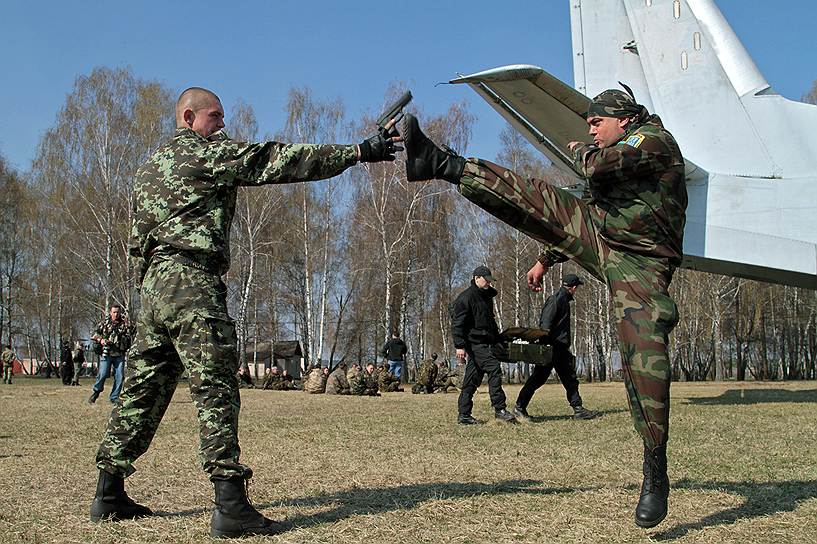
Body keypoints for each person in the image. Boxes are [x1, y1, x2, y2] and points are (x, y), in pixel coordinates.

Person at [90, 87, 401, 538]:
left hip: (154, 289)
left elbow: (137, 241)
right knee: (216, 390)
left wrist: (150, 291)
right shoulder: (206, 155)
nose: (222, 126)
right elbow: (278, 160)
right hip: (192, 284)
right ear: (188, 116)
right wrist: (357, 151)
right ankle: (230, 505)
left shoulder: (147, 170)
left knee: (142, 391)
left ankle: (108, 491)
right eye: (215, 117)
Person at [402, 86, 686, 528]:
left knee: (643, 358)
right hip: (603, 238)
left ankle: (654, 466)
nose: (591, 129)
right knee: (539, 197)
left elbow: (596, 167)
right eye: (589, 124)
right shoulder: (618, 148)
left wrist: (582, 152)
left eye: (597, 122)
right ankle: (441, 163)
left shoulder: (653, 142)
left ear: (624, 120)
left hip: (642, 264)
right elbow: (585, 207)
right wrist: (545, 258)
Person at [513, 274, 598, 421]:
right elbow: (545, 324)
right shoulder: (556, 300)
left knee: (570, 378)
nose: (576, 290)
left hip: (560, 348)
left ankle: (578, 409)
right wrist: (545, 345)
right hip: (551, 348)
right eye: (576, 287)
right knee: (538, 379)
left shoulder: (563, 299)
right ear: (573, 287)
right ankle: (519, 407)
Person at [449, 266, 516, 424]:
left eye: (490, 280)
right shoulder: (465, 298)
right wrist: (459, 346)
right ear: (476, 278)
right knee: (494, 368)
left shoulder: (485, 297)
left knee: (471, 379)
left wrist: (498, 338)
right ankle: (499, 409)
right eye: (486, 280)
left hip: (486, 342)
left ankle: (464, 414)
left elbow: (490, 322)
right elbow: (457, 324)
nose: (488, 283)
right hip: (475, 343)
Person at [88, 304, 132, 404]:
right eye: (114, 312)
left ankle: (114, 397)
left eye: (118, 312)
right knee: (102, 374)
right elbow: (93, 334)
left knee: (119, 376)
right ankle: (96, 392)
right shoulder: (104, 323)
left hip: (119, 354)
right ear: (110, 312)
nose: (116, 314)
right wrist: (101, 340)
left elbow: (131, 333)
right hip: (106, 353)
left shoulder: (124, 324)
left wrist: (128, 323)